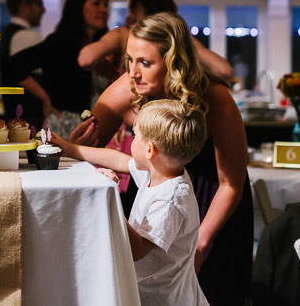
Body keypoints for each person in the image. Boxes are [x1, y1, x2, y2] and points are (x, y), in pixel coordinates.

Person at [73, 12, 253, 306]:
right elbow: (92, 140)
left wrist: (200, 242)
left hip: (212, 206)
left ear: (174, 62)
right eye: (129, 60)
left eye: (145, 62)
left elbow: (231, 183)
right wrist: (73, 147)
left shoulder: (216, 99)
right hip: (151, 196)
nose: (132, 72)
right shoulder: (130, 85)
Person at [52, 99, 208, 306]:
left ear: (150, 150)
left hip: (163, 298)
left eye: (135, 136)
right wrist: (72, 149)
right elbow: (119, 160)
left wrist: (110, 198)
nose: (131, 141)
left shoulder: (170, 200)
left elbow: (138, 250)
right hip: (149, 290)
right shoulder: (160, 170)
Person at [77, 0, 233, 86]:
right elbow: (224, 71)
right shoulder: (176, 37)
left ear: (133, 3)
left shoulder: (124, 35)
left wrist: (100, 64)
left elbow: (86, 59)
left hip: (131, 124)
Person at [5, 0, 109, 137]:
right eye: (96, 3)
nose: (103, 9)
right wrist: (45, 99)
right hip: (66, 125)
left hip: (96, 125)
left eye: (105, 4)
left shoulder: (102, 45)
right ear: (79, 6)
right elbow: (14, 66)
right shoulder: (61, 41)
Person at [0, 0, 46, 129]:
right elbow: (18, 74)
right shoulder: (26, 36)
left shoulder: (8, 34)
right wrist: (47, 99)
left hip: (16, 119)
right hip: (28, 120)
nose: (43, 9)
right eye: (39, 3)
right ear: (24, 6)